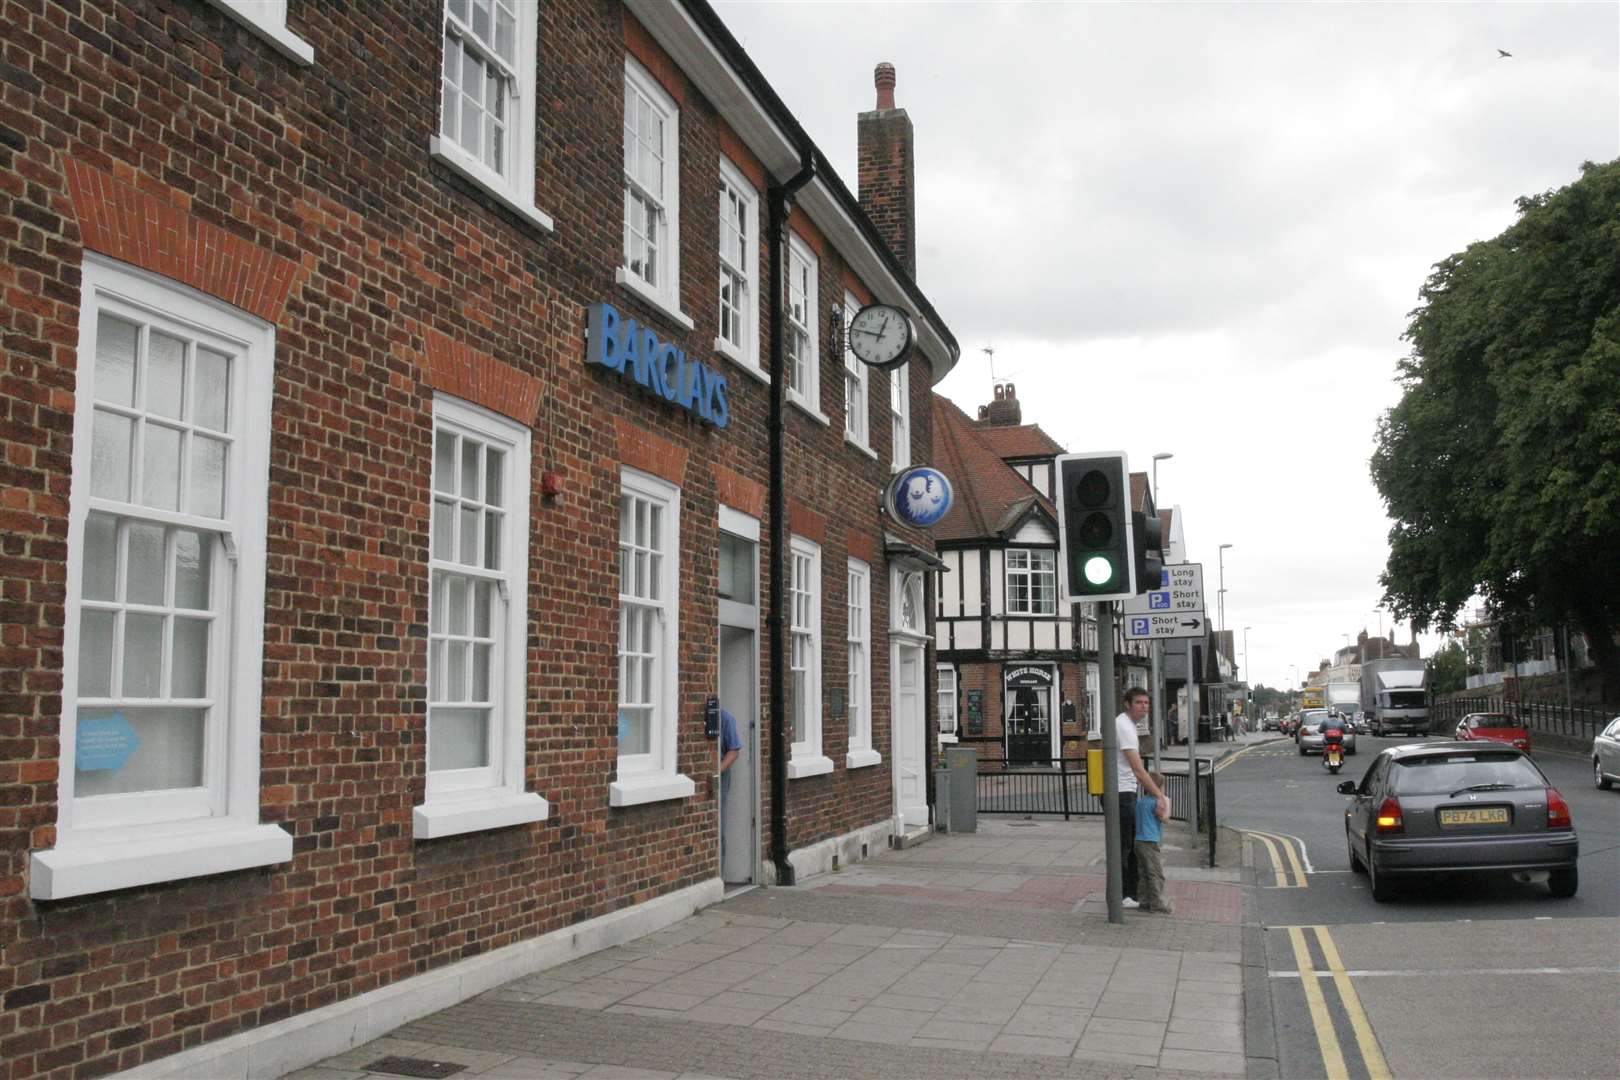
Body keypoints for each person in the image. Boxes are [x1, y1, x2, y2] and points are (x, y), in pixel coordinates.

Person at [1115, 687, 1171, 910]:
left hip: (1125, 789)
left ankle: (1133, 893)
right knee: (1127, 846)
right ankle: (1124, 894)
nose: (1144, 707)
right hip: (1121, 791)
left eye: (1146, 703)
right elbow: (1138, 770)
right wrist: (1159, 796)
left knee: (1130, 844)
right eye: (1138, 702)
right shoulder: (1124, 726)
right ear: (1127, 704)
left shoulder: (1128, 725)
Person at [1134, 770, 1173, 914]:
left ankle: (1144, 901)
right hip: (1150, 841)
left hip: (1138, 841)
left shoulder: (1140, 802)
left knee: (1143, 873)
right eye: (1162, 787)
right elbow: (1164, 819)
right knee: (1156, 873)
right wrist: (1166, 805)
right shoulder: (1157, 802)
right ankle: (1156, 903)